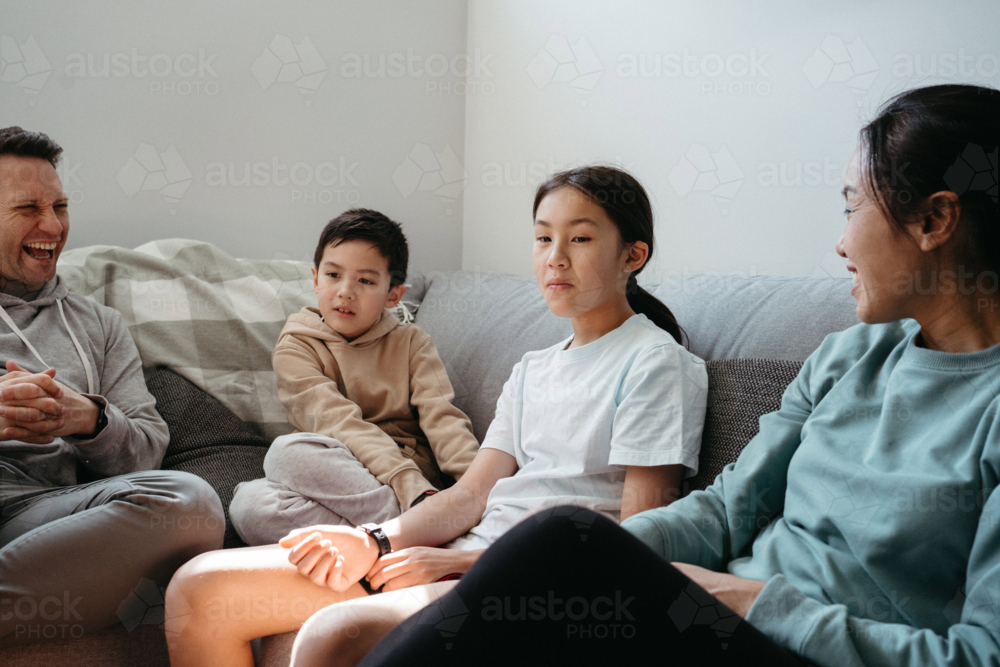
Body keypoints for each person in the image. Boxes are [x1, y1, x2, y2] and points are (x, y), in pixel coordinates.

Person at [357, 83, 1000, 667]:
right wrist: (607, 562)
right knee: (555, 548)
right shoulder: (846, 357)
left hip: (797, 644)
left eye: (851, 207)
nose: (840, 244)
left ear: (934, 221)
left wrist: (743, 600)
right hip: (713, 615)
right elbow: (724, 512)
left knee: (553, 543)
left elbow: (979, 654)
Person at [164, 165, 709, 667]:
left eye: (580, 238)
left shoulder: (656, 363)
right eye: (544, 237)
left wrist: (458, 568)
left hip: (526, 584)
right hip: (462, 555)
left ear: (633, 256)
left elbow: (638, 543)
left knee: (328, 636)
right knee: (197, 592)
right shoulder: (533, 368)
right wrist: (376, 540)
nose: (554, 257)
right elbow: (470, 496)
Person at [0, 127, 224, 645]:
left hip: (43, 519)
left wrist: (90, 420)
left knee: (191, 505)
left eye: (59, 205)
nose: (52, 226)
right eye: (28, 208)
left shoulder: (98, 324)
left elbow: (146, 454)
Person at [229, 209, 479, 546]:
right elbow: (338, 423)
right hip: (341, 474)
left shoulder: (412, 343)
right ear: (316, 279)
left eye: (365, 281)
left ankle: (407, 531)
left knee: (285, 452)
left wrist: (477, 491)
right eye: (333, 275)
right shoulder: (296, 347)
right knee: (255, 499)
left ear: (393, 295)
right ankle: (415, 532)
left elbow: (444, 421)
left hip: (411, 476)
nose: (345, 291)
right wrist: (418, 498)